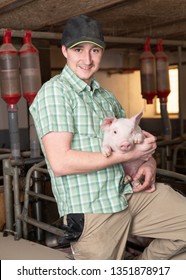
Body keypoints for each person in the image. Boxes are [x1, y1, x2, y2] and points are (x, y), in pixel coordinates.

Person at [30, 14, 186, 260]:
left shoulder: (106, 97)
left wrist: (147, 162)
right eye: (78, 49)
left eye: (95, 50)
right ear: (64, 51)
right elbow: (61, 163)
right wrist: (132, 154)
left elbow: (132, 138)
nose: (87, 58)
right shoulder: (55, 93)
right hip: (94, 210)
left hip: (128, 195)